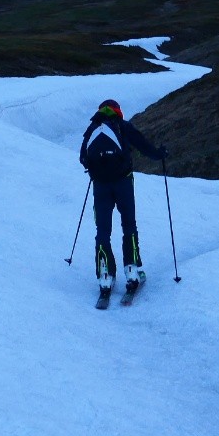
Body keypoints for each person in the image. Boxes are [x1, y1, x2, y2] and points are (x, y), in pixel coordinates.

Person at [78, 98, 168, 300]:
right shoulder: (123, 127)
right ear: (118, 111)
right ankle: (132, 271)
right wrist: (160, 154)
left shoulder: (93, 128)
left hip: (100, 186)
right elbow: (145, 147)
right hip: (123, 183)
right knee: (129, 225)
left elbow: (83, 157)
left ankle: (105, 276)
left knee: (102, 231)